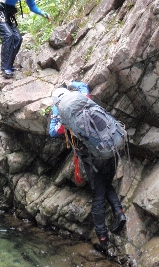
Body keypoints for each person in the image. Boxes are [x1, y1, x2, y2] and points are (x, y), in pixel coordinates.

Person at [49, 81, 127, 251]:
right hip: (112, 145)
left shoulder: (63, 116)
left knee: (98, 193)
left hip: (93, 158)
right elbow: (84, 86)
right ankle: (119, 212)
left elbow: (53, 132)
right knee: (106, 184)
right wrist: (71, 83)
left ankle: (102, 236)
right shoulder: (82, 97)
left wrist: (54, 113)